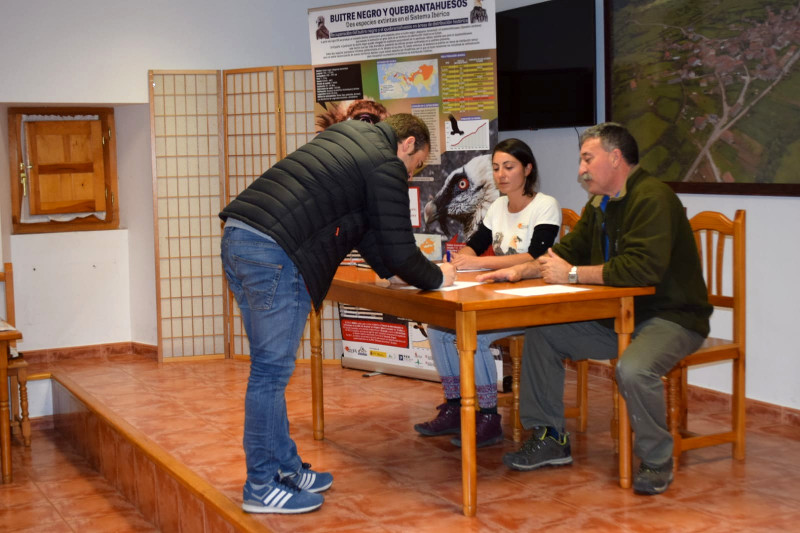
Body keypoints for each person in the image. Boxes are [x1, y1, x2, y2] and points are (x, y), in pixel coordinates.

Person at [219, 114, 457, 514]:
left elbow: (362, 228)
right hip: (276, 252)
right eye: (415, 166)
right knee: (269, 374)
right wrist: (437, 277)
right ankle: (260, 484)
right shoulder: (385, 162)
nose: (411, 175)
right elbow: (399, 247)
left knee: (269, 370)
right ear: (408, 143)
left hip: (241, 238)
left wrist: (393, 275)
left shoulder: (352, 137)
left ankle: (285, 468)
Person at [477, 123, 711, 495]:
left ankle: (656, 458)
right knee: (543, 333)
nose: (580, 169)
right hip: (616, 315)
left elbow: (641, 269)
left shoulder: (653, 198)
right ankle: (550, 437)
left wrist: (571, 275)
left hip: (671, 317)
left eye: (587, 158)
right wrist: (520, 271)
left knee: (632, 370)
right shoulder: (600, 204)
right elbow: (567, 251)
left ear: (615, 158)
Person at [414, 138, 561, 448]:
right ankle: (455, 408)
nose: (501, 175)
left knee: (476, 336)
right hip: (498, 295)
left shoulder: (545, 204)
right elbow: (475, 244)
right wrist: (461, 257)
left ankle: (489, 418)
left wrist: (479, 261)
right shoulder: (496, 205)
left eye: (509, 167)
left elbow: (537, 257)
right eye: (496, 168)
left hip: (532, 302)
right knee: (439, 329)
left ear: (528, 169)